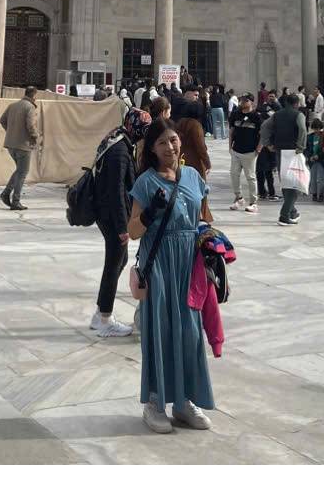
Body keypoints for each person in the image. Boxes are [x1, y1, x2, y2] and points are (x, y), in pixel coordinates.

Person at [127, 118, 214, 433]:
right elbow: (133, 231)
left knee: (190, 333)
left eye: (173, 140)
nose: (170, 147)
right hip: (160, 263)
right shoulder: (146, 183)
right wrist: (150, 213)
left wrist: (212, 244)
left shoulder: (192, 176)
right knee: (160, 331)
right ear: (152, 148)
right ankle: (154, 402)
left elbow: (202, 217)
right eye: (162, 142)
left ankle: (183, 401)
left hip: (188, 265)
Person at [90, 107, 150, 337]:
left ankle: (101, 312)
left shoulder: (118, 140)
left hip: (108, 213)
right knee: (114, 262)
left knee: (118, 260)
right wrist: (121, 227)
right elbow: (116, 192)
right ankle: (104, 317)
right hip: (111, 216)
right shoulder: (120, 152)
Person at [0, 86, 39, 211]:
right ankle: (15, 201)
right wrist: (35, 136)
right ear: (34, 95)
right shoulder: (30, 107)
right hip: (23, 145)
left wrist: (11, 132)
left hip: (11, 144)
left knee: (19, 171)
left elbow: (2, 120)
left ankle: (6, 193)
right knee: (23, 172)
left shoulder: (13, 105)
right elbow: (30, 125)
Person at [271, 93, 307, 226]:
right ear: (297, 104)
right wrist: (301, 147)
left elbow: (265, 128)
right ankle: (284, 215)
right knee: (295, 183)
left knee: (286, 182)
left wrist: (268, 143)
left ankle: (292, 212)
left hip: (279, 151)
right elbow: (302, 130)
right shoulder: (299, 115)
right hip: (293, 152)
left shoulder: (277, 114)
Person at [175, 116, 213, 223]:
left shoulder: (179, 123)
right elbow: (201, 147)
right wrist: (207, 163)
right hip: (196, 162)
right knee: (200, 191)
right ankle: (201, 217)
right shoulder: (195, 125)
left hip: (182, 159)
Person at [228, 93, 261, 212]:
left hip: (250, 151)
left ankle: (253, 202)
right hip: (236, 150)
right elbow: (231, 130)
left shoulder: (256, 116)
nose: (242, 102)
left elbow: (262, 133)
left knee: (250, 177)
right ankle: (239, 198)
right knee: (234, 174)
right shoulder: (235, 114)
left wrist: (259, 148)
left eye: (245, 100)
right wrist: (230, 146)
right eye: (241, 100)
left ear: (251, 102)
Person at [257, 98, 279, 201]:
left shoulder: (259, 118)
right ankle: (271, 193)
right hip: (267, 147)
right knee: (268, 171)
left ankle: (262, 192)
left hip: (260, 148)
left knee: (260, 171)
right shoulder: (269, 121)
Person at [306, 118, 324, 201]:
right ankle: (314, 193)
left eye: (318, 128)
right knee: (313, 178)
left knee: (320, 178)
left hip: (321, 160)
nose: (316, 130)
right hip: (312, 160)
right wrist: (309, 156)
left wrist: (319, 155)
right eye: (315, 128)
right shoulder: (309, 137)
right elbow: (306, 149)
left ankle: (321, 194)